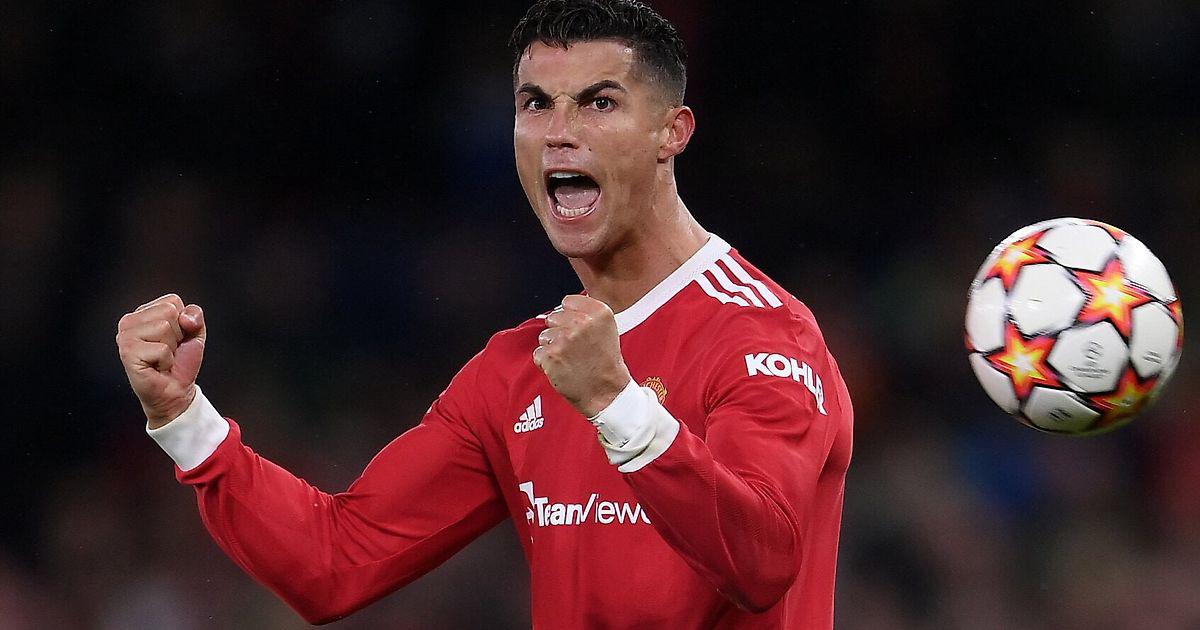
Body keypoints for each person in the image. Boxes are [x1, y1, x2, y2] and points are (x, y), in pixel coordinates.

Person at [114, 0, 853, 627]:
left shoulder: (763, 334)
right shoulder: (518, 371)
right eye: (536, 104)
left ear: (673, 131)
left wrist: (617, 404)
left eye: (599, 103)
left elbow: (763, 562)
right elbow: (334, 562)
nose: (560, 131)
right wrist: (183, 418)